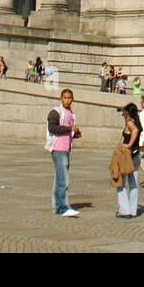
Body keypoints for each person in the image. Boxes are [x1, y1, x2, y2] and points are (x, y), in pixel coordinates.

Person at [46, 88, 81, 217]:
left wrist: (75, 133)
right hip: (58, 148)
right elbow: (53, 127)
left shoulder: (71, 113)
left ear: (73, 99)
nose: (67, 100)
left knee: (59, 178)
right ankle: (63, 207)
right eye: (65, 98)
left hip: (66, 148)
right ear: (61, 98)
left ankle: (57, 206)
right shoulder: (56, 112)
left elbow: (68, 131)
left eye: (69, 98)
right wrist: (70, 128)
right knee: (63, 179)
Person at [115, 101, 141, 218]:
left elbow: (135, 131)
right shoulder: (137, 122)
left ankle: (125, 210)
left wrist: (129, 144)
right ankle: (133, 209)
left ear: (127, 114)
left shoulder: (130, 123)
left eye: (124, 113)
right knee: (133, 184)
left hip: (127, 156)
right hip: (136, 156)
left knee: (120, 183)